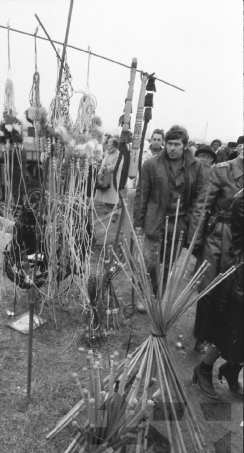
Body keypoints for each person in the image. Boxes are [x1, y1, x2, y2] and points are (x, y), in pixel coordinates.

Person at [134, 125, 204, 311]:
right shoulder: (151, 164)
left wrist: (188, 220)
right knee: (150, 261)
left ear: (185, 146)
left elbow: (198, 196)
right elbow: (142, 194)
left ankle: (158, 296)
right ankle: (145, 295)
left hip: (178, 223)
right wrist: (139, 222)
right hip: (155, 220)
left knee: (167, 264)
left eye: (176, 144)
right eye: (169, 144)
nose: (172, 148)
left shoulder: (195, 166)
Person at [189, 136, 243, 353]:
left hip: (240, 241)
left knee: (231, 292)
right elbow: (202, 206)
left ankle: (218, 340)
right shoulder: (222, 171)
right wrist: (196, 241)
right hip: (218, 236)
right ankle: (201, 336)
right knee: (209, 286)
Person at [192, 187, 243, 399]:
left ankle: (231, 370)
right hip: (241, 273)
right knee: (232, 327)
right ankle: (204, 369)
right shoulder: (242, 200)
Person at [94, 137, 124, 211]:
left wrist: (105, 168)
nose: (107, 145)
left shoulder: (119, 155)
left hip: (112, 178)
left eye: (109, 144)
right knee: (105, 193)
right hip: (104, 176)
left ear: (114, 146)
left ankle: (113, 211)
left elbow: (116, 167)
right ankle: (107, 209)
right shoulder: (107, 152)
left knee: (111, 196)